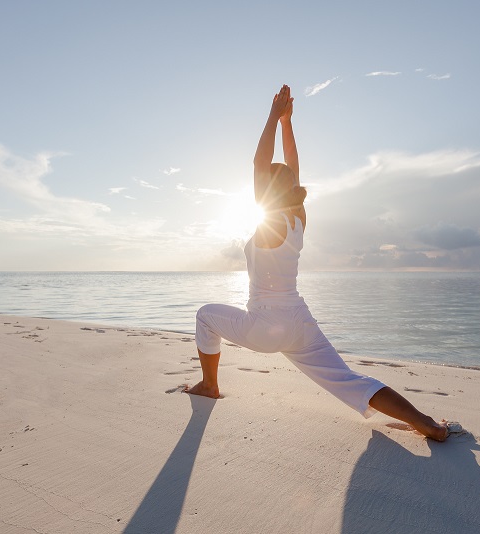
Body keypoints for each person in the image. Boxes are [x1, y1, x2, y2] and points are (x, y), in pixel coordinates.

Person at [185, 84, 448, 441]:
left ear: (268, 193)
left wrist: (272, 116)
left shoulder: (272, 222)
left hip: (264, 323)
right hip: (300, 321)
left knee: (205, 315)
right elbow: (291, 168)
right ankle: (427, 424)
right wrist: (288, 123)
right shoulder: (296, 220)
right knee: (351, 381)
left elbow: (260, 164)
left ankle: (209, 385)